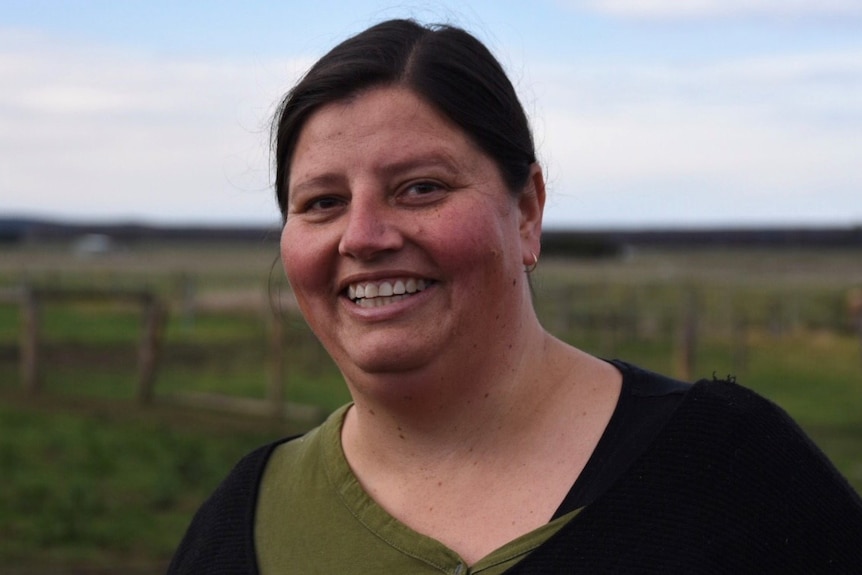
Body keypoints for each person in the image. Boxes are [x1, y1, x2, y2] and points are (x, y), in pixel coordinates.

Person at [168, 19, 862, 574]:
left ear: (526, 210)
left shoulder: (733, 469)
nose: (364, 235)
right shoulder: (247, 524)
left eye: (421, 187)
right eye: (322, 202)